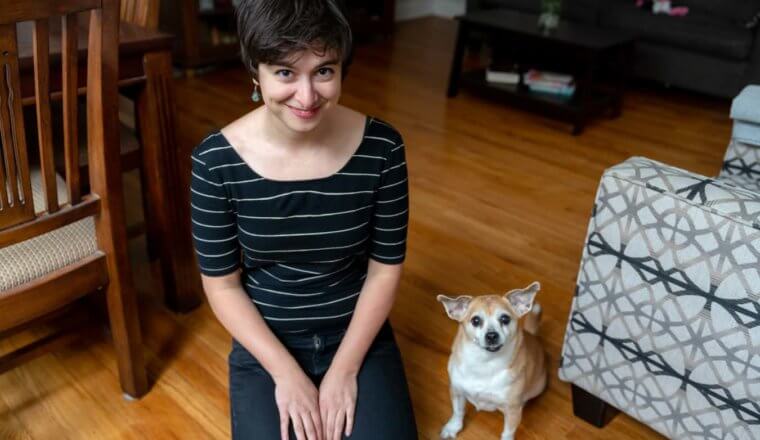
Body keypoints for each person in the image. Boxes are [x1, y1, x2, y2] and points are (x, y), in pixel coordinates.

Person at [189, 1, 418, 439]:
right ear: (255, 74)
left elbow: (384, 270)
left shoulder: (383, 149)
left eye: (324, 71)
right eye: (285, 72)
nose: (308, 97)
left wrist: (345, 369)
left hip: (356, 335)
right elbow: (222, 284)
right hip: (267, 343)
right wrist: (286, 374)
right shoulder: (214, 162)